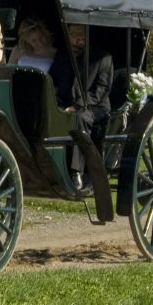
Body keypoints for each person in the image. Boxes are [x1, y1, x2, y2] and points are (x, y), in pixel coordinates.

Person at [53, 24, 113, 193]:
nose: (77, 38)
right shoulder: (63, 55)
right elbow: (54, 80)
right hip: (66, 103)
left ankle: (76, 171)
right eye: (73, 34)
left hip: (95, 106)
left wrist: (76, 105)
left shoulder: (103, 58)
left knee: (80, 117)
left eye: (81, 34)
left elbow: (100, 91)